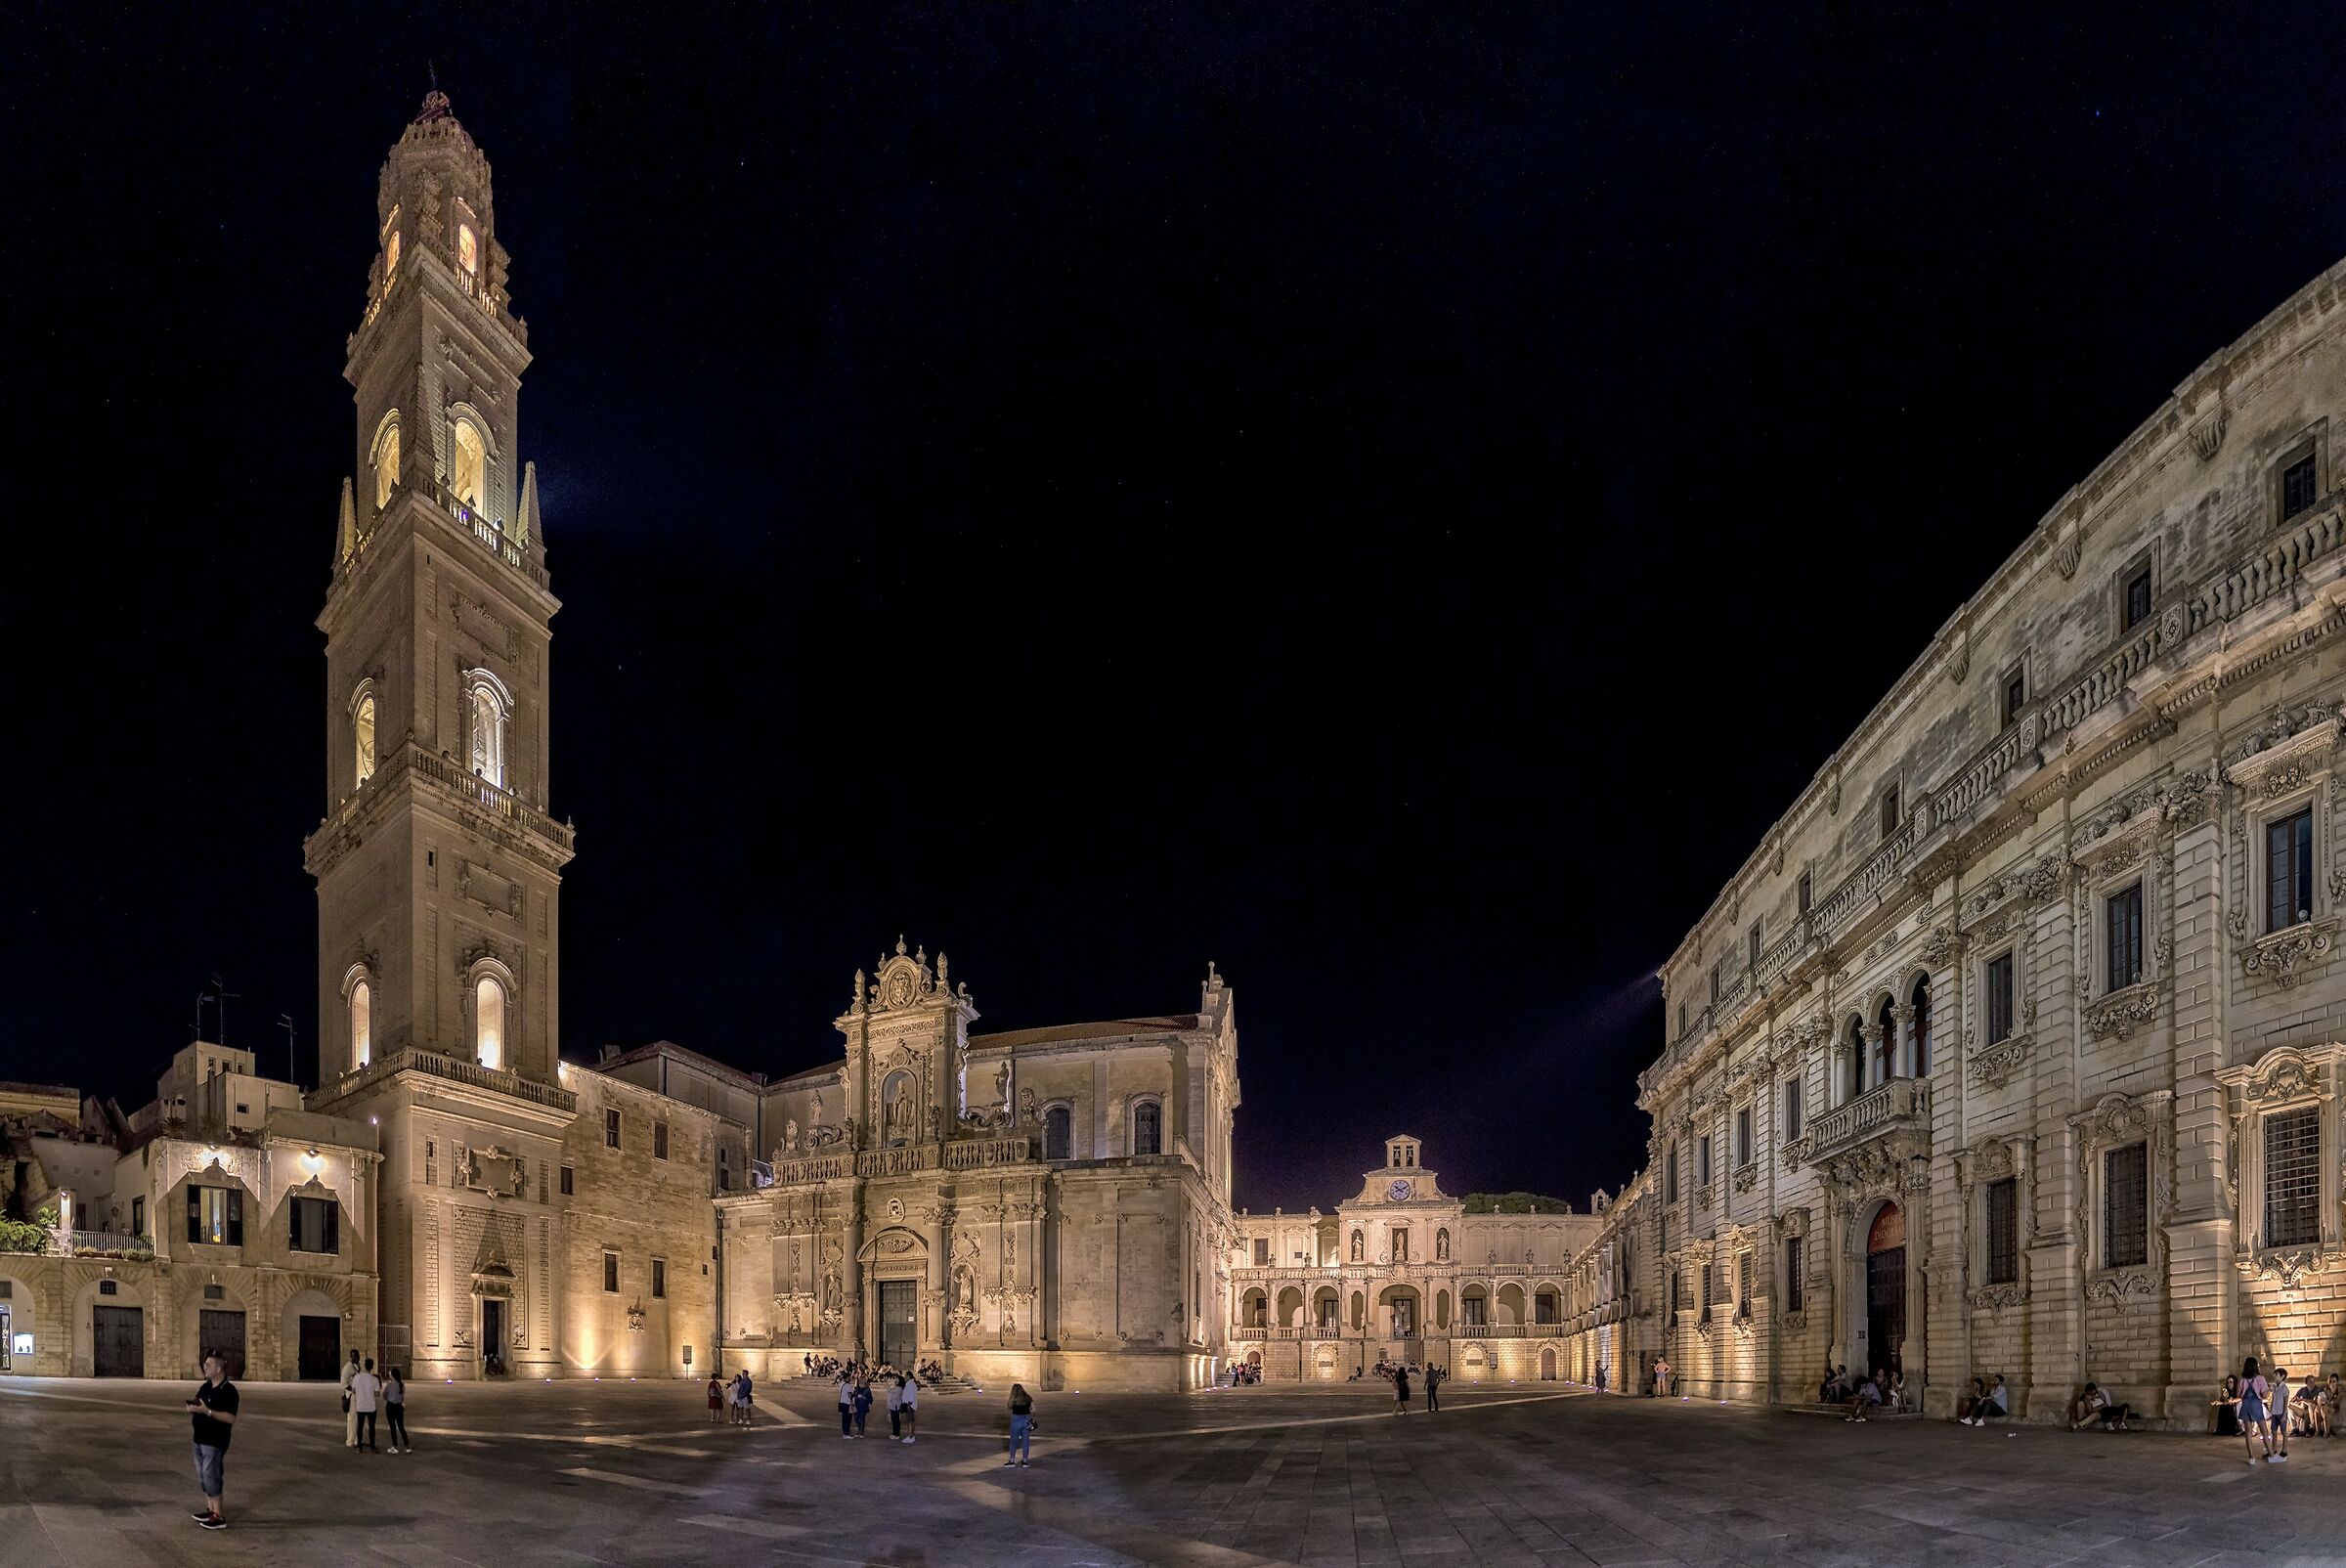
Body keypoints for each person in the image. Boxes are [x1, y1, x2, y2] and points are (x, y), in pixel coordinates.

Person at [185, 1350, 239, 1531]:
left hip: (214, 1441)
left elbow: (230, 1418)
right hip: (198, 1439)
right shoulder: (205, 1387)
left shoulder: (229, 1391)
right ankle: (210, 1510)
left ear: (218, 1368)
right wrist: (192, 1408)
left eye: (208, 1365)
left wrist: (207, 1411)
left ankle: (219, 1516)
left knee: (211, 1476)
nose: (204, 1367)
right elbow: (198, 1403)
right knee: (203, 1476)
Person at [2237, 1356, 2275, 1464]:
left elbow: (2238, 1394)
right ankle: (2271, 1455)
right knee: (2264, 1431)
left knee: (2248, 1432)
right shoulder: (2260, 1378)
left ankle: (2251, 1457)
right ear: (2255, 1366)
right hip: (2256, 1405)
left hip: (2245, 1405)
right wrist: (2268, 1390)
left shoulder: (2242, 1379)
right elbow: (2264, 1395)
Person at [350, 1356, 382, 1451]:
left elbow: (353, 1391)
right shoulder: (375, 1379)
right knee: (372, 1427)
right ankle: (372, 1446)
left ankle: (359, 1446)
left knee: (360, 1427)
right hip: (371, 1407)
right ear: (372, 1367)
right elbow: (377, 1394)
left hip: (360, 1406)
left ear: (364, 1365)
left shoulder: (357, 1377)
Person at [1006, 1382, 1034, 1466]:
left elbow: (1009, 1407)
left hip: (1016, 1420)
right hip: (1026, 1420)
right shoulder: (1028, 1398)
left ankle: (1012, 1460)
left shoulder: (1013, 1399)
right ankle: (1025, 1461)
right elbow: (1033, 1409)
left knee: (1013, 1441)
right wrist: (1026, 1411)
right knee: (1025, 1441)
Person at [383, 1366, 410, 1454]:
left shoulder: (389, 1385)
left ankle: (395, 1446)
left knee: (393, 1427)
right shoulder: (402, 1385)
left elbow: (384, 1396)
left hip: (390, 1407)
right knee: (401, 1427)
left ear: (392, 1375)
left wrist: (390, 1398)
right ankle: (407, 1446)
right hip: (399, 1407)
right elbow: (402, 1398)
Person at [2269, 1368, 2292, 1461]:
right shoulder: (2274, 1387)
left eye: (2277, 1375)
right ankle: (2273, 1449)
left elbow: (2285, 1403)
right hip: (2274, 1413)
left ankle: (2284, 1450)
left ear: (2282, 1376)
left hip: (2281, 1413)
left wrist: (2284, 1415)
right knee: (2273, 1432)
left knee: (2284, 1432)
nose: (2275, 1376)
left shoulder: (2284, 1388)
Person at [340, 1347, 362, 1448]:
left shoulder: (358, 1366)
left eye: (357, 1356)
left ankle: (357, 1440)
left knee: (358, 1418)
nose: (356, 1358)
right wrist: (353, 1390)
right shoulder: (347, 1368)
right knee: (352, 1418)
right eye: (354, 1356)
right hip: (351, 1396)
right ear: (351, 1357)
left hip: (358, 1396)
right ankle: (350, 1440)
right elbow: (344, 1383)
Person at [899, 1372, 919, 1444]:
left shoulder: (911, 1385)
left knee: (909, 1422)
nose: (904, 1377)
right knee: (911, 1421)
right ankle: (911, 1436)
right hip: (909, 1405)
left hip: (909, 1405)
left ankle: (910, 1437)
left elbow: (911, 1396)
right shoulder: (910, 1384)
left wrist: (908, 1405)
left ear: (908, 1376)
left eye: (905, 1375)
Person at [838, 1369, 857, 1438]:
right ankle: (846, 1433)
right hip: (847, 1403)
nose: (850, 1378)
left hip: (842, 1402)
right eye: (849, 1377)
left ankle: (844, 1433)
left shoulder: (841, 1384)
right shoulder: (848, 1386)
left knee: (844, 1419)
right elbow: (850, 1396)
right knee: (847, 1419)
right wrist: (855, 1393)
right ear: (847, 1378)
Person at [852, 1373, 873, 1437]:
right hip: (857, 1405)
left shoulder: (867, 1389)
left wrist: (865, 1398)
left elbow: (870, 1399)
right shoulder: (857, 1388)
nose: (861, 1381)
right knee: (856, 1418)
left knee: (862, 1418)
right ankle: (859, 1429)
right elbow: (853, 1395)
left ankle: (861, 1431)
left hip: (863, 1406)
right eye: (860, 1380)